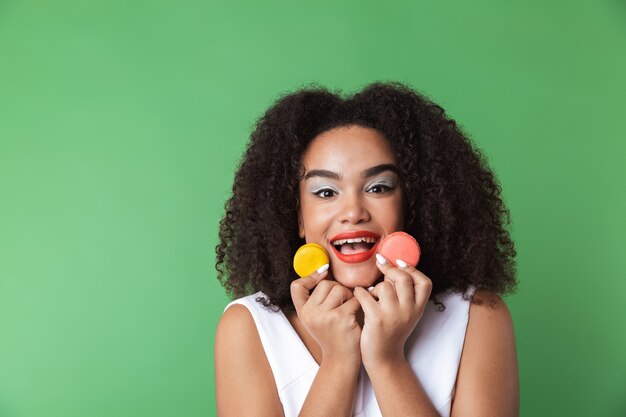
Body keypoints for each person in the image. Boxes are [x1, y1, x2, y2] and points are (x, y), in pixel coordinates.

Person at [214, 81, 519, 417]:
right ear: (298, 217)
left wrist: (388, 361)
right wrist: (338, 361)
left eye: (378, 187)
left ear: (411, 206)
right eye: (326, 192)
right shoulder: (249, 327)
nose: (353, 212)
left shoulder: (477, 316)